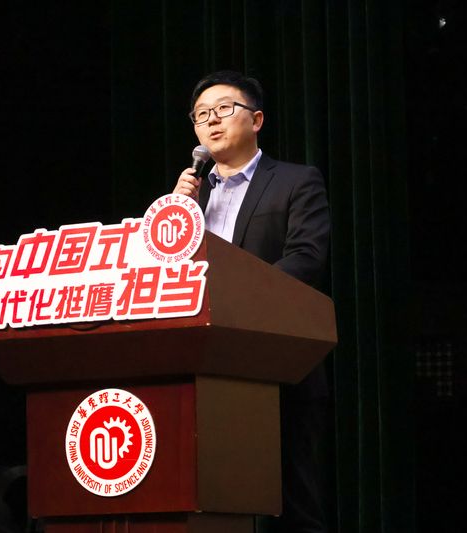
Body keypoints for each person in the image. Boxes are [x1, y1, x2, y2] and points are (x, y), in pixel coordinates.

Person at [173, 70, 331, 533]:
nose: (212, 121)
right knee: (213, 497)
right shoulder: (189, 197)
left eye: (224, 109)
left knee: (293, 501)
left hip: (277, 358)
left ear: (256, 119)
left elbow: (306, 258)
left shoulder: (296, 181)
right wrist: (174, 215)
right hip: (206, 364)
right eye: (201, 115)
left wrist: (237, 299)